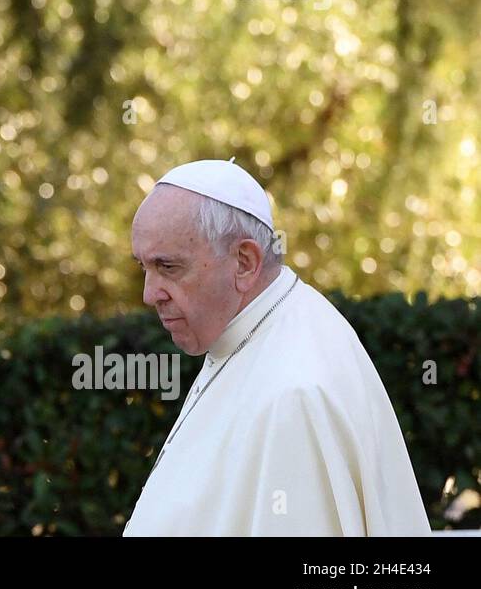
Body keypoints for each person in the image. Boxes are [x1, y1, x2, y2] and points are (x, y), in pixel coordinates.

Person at [123, 158, 431, 536]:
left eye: (168, 267)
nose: (149, 294)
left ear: (244, 262)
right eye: (144, 267)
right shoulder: (252, 335)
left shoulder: (295, 394)